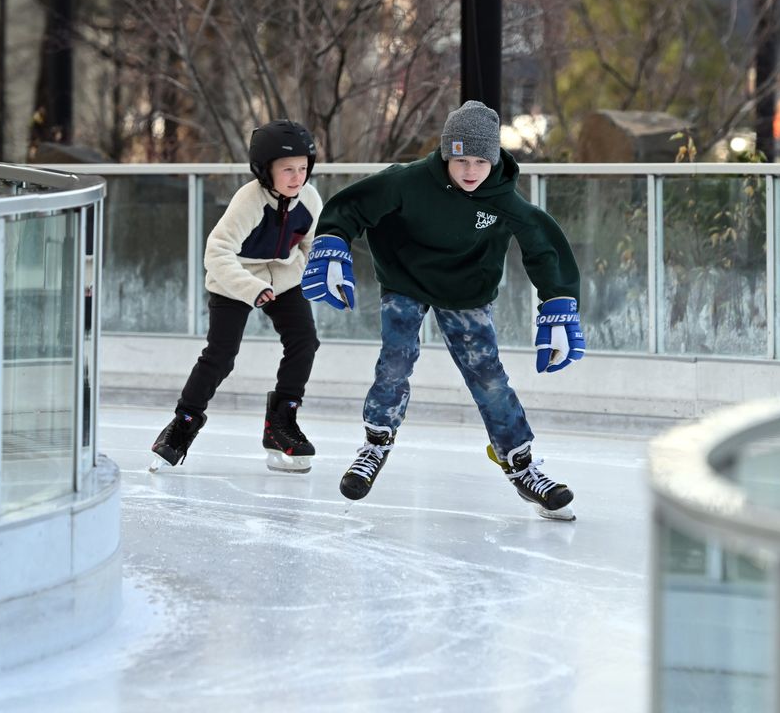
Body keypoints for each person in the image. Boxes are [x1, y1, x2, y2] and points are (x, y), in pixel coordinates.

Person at [302, 100, 585, 520]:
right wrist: (331, 242)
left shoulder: (503, 198)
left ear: (493, 159)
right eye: (460, 159)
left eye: (479, 161)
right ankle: (376, 443)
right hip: (405, 280)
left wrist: (559, 303)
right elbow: (352, 206)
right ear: (445, 155)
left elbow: (543, 245)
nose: (470, 170)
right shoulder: (408, 182)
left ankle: (520, 464)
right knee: (395, 361)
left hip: (466, 290)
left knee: (488, 376)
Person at [150, 119, 323, 474]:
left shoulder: (309, 198)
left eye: (303, 168)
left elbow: (310, 244)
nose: (297, 177)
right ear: (265, 171)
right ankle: (183, 424)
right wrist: (252, 287)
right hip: (235, 279)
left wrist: (301, 272)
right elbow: (216, 252)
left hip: (283, 279)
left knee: (304, 340)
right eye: (287, 170)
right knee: (221, 355)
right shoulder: (249, 200)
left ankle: (282, 422)